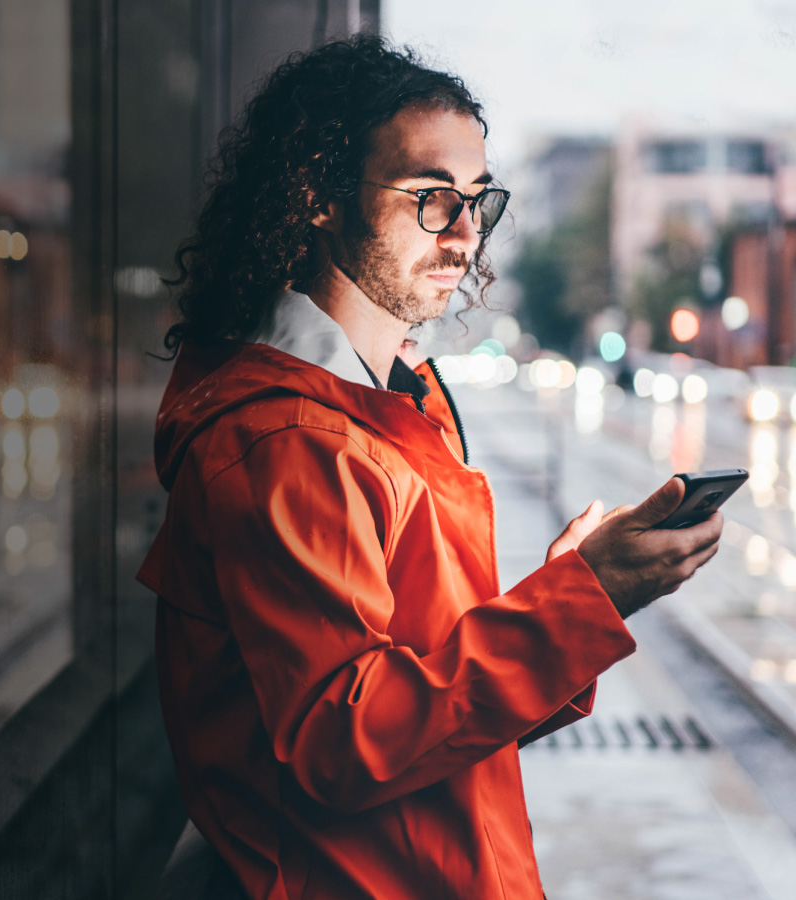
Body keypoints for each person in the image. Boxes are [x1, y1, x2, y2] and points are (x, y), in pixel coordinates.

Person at [138, 36, 722, 899]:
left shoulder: (389, 401)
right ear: (318, 197)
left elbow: (428, 708)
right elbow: (347, 741)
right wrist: (578, 605)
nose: (464, 236)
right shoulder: (288, 440)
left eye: (478, 203)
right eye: (431, 199)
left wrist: (564, 595)